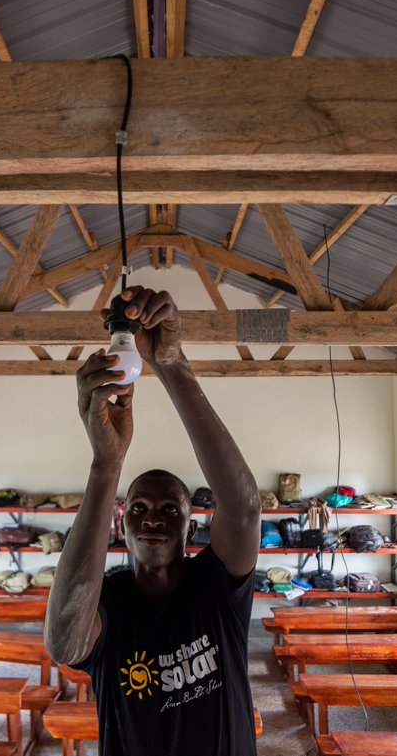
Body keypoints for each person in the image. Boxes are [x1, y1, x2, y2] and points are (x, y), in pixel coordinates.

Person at [44, 286, 261, 756]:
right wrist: (107, 464)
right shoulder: (111, 603)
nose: (153, 518)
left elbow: (242, 508)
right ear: (120, 526)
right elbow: (64, 643)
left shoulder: (216, 588)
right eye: (138, 508)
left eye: (170, 510)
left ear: (191, 527)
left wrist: (171, 364)